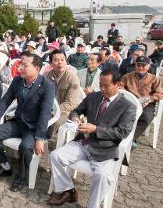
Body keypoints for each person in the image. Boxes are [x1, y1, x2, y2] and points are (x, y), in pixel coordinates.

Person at [48, 68, 137, 208]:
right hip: (83, 142)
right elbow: (76, 110)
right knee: (55, 156)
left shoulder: (128, 106)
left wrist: (96, 129)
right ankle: (68, 190)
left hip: (105, 148)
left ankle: (92, 205)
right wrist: (76, 117)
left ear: (118, 84)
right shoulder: (93, 97)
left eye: (106, 85)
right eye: (100, 84)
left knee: (103, 176)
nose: (102, 88)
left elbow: (123, 132)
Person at [0, 52, 54, 192]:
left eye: (25, 65)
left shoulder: (47, 85)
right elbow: (5, 100)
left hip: (34, 127)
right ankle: (5, 166)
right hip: (19, 122)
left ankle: (21, 176)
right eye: (21, 64)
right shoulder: (17, 81)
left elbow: (45, 113)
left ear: (37, 68)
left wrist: (40, 137)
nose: (20, 67)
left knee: (25, 147)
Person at [121, 56, 163, 148]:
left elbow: (159, 93)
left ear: (148, 66)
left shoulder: (154, 79)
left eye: (144, 65)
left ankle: (130, 138)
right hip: (130, 101)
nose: (140, 67)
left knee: (145, 117)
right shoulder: (127, 76)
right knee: (122, 114)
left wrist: (150, 99)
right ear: (135, 65)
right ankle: (122, 134)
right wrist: (126, 95)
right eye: (138, 65)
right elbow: (120, 87)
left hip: (146, 103)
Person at [46, 50, 81, 129]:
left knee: (53, 125)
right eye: (56, 60)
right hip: (49, 108)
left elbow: (71, 103)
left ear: (66, 61)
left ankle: (49, 141)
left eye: (62, 60)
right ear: (51, 63)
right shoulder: (48, 75)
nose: (60, 62)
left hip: (66, 111)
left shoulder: (72, 78)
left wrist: (53, 111)